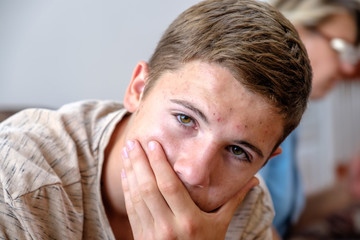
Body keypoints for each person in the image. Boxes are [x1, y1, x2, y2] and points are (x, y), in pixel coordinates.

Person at [0, 0, 312, 239]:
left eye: (237, 152)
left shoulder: (246, 210)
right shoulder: (19, 183)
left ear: (266, 160)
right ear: (137, 89)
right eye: (185, 119)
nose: (193, 173)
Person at [259, 0, 360, 238]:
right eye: (340, 48)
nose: (348, 68)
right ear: (295, 29)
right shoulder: (254, 114)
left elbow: (279, 222)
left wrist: (349, 191)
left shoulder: (287, 120)